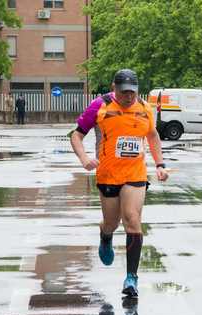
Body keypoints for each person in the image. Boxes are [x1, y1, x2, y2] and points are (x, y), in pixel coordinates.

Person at [70, 69, 168, 297]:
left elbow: (152, 135)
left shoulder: (144, 109)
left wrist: (160, 164)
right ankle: (105, 236)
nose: (129, 97)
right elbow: (76, 135)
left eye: (133, 92)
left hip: (135, 174)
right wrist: (84, 158)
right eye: (124, 92)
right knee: (112, 222)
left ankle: (131, 278)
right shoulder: (100, 106)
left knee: (132, 219)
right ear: (114, 87)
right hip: (108, 175)